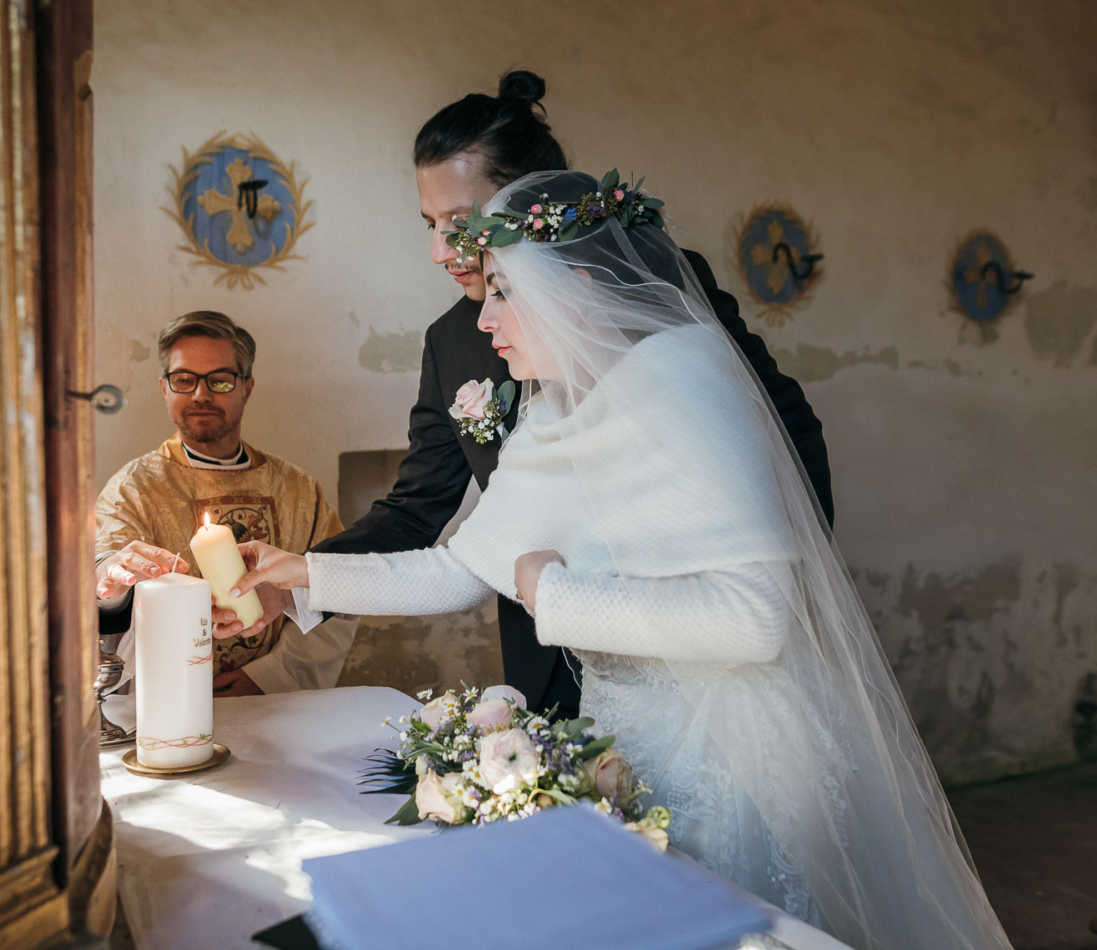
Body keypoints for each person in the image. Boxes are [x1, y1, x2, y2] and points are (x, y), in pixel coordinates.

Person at [228, 171, 1011, 950]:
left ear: (572, 284)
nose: (486, 316)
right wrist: (303, 574)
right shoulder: (556, 403)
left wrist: (550, 593)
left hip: (734, 761)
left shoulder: (685, 380)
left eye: (504, 291)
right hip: (621, 746)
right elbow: (465, 567)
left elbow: (754, 619)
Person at [305, 71, 832, 721]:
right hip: (544, 650)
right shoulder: (453, 343)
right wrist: (300, 582)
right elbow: (421, 514)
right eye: (429, 223)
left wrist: (781, 579)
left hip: (697, 661)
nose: (441, 251)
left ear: (529, 203)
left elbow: (781, 428)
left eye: (459, 222)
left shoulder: (655, 287)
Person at [94, 311, 356, 699]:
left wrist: (270, 675)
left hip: (272, 705)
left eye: (219, 379)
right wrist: (109, 580)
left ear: (246, 387)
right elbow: (109, 580)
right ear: (164, 388)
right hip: (169, 700)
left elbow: (338, 594)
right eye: (184, 380)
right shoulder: (132, 489)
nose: (201, 394)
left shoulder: (298, 490)